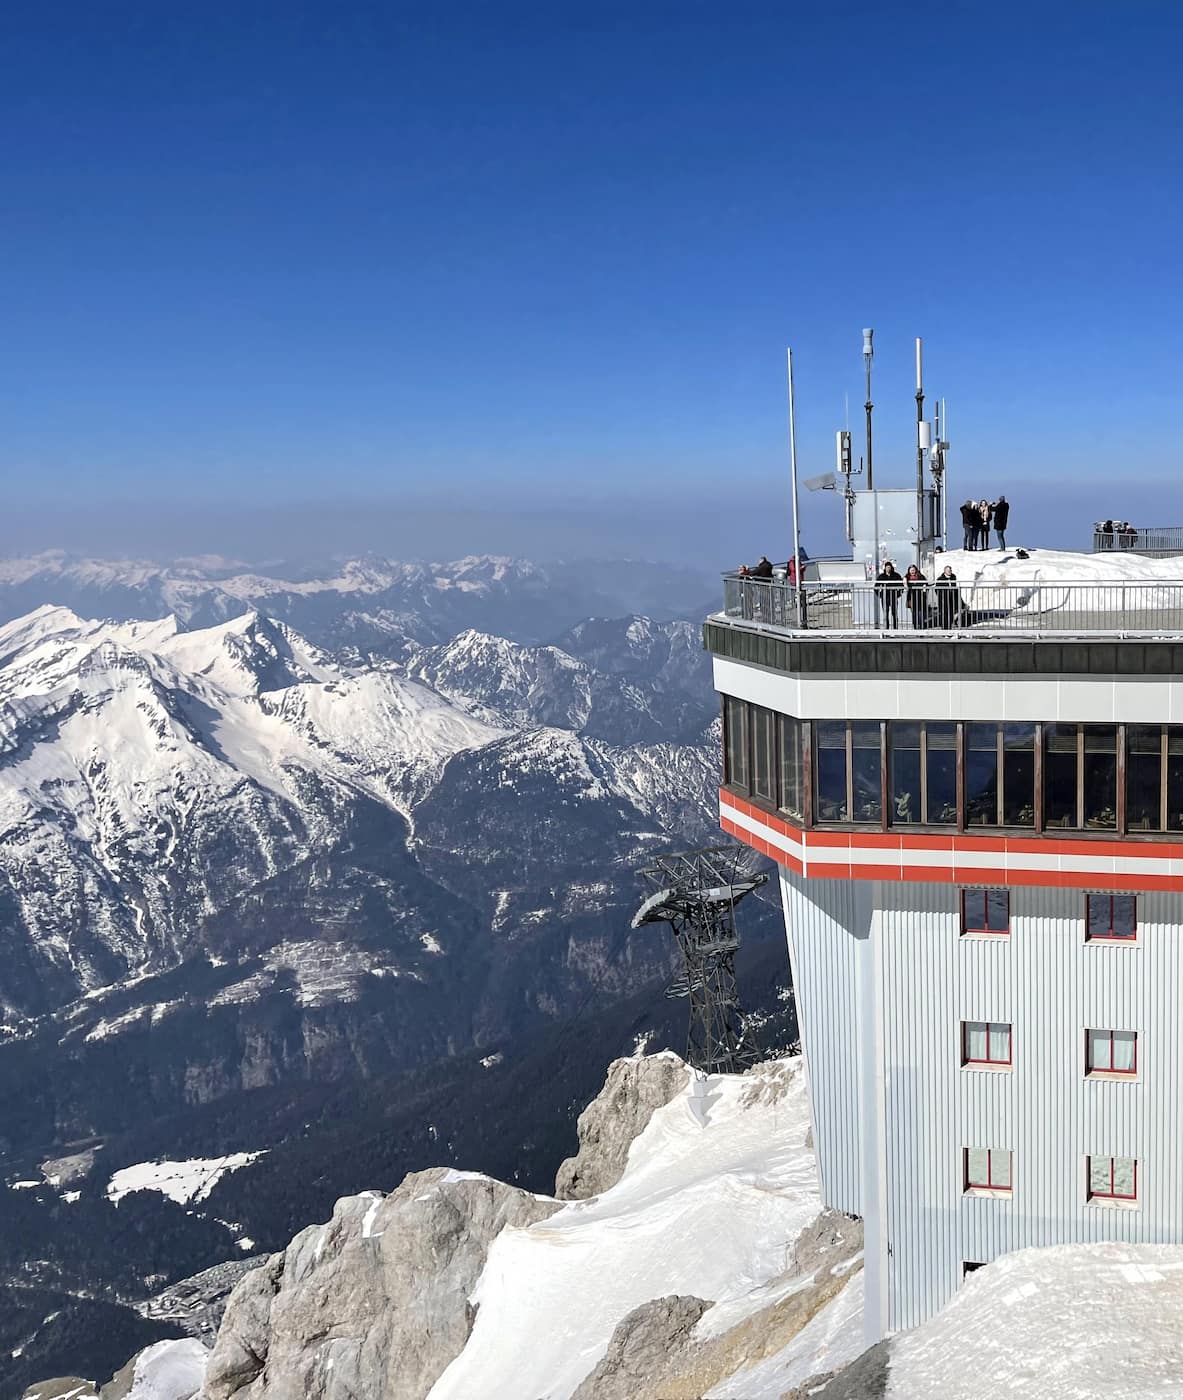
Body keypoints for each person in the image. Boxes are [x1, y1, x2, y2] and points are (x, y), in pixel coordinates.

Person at [876, 560, 903, 629]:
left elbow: (901, 585)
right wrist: (880, 595)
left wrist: (898, 594)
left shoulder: (896, 575)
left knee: (894, 613)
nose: (888, 568)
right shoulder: (881, 576)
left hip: (894, 597)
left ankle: (895, 629)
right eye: (887, 567)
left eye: (889, 567)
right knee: (885, 614)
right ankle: (886, 629)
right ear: (885, 568)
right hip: (885, 597)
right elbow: (876, 586)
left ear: (891, 567)